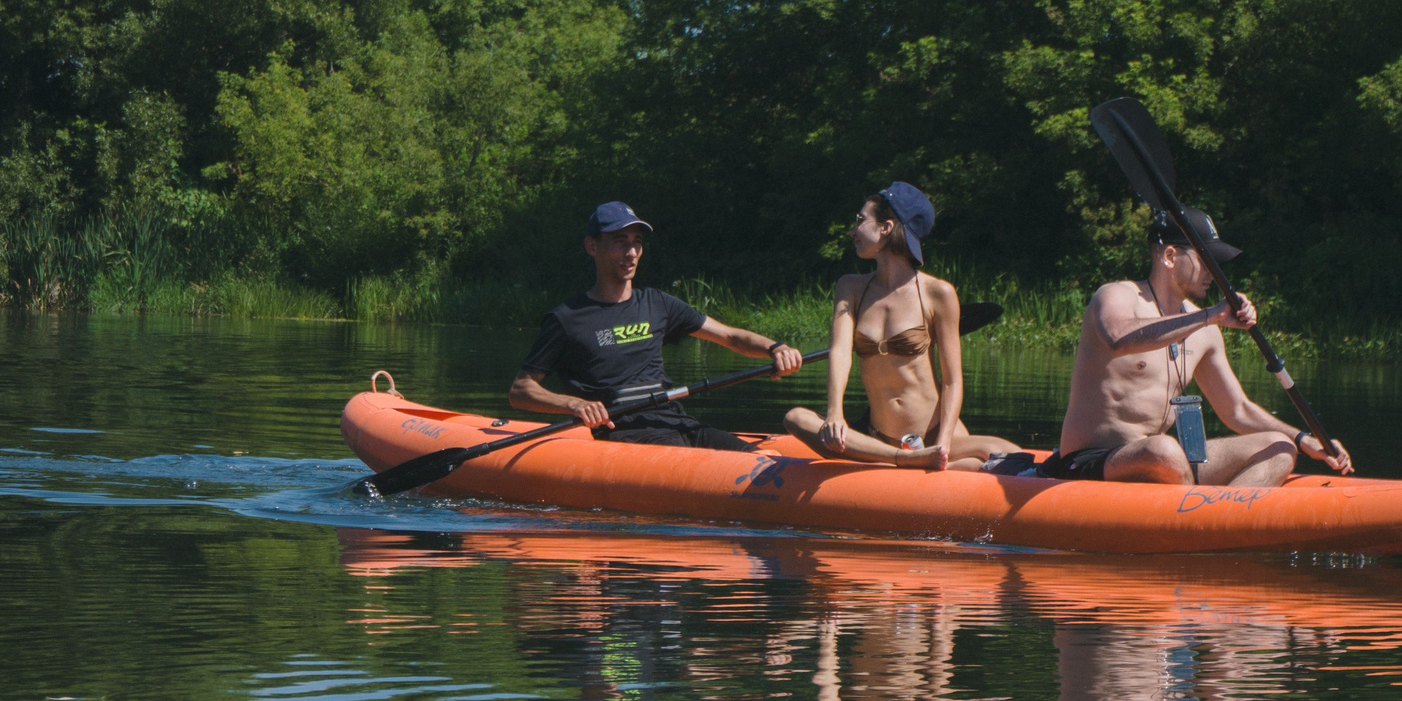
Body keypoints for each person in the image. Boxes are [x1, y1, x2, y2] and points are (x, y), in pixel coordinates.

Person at [1037, 207, 1350, 485]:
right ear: (1170, 256)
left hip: (1165, 462)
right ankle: (1191, 514)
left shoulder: (1205, 329)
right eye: (1205, 260)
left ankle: (1220, 521)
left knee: (1279, 448)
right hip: (1090, 460)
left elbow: (1237, 409)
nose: (1214, 273)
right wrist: (1209, 316)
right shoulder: (1118, 295)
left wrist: (1303, 438)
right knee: (1163, 449)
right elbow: (1118, 337)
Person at [511, 201, 803, 449]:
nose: (631, 252)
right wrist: (574, 404)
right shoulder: (566, 319)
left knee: (765, 460)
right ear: (592, 246)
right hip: (624, 432)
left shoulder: (657, 303)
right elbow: (521, 391)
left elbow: (729, 336)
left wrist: (775, 348)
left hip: (678, 422)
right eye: (620, 241)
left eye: (637, 242)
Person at [782, 183, 1020, 471]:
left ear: (886, 227)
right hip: (878, 439)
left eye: (860, 220)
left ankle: (923, 461)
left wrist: (942, 444)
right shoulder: (850, 288)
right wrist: (835, 413)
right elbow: (841, 352)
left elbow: (952, 381)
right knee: (796, 418)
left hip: (933, 435)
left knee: (1011, 453)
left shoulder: (938, 293)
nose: (853, 231)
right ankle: (902, 459)